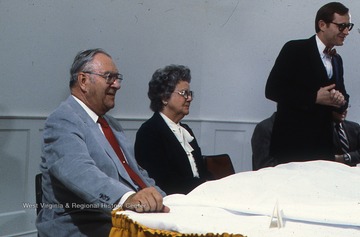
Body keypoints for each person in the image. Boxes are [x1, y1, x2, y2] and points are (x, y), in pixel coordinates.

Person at [36, 48, 169, 237]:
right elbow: (79, 171)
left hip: (123, 218)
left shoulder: (111, 124)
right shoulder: (62, 120)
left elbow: (136, 174)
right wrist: (127, 198)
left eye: (117, 78)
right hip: (83, 226)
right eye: (109, 77)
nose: (117, 85)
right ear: (83, 81)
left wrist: (165, 199)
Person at [265, 2, 352, 164]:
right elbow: (272, 90)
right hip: (292, 147)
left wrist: (341, 103)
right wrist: (314, 97)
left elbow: (342, 94)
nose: (346, 32)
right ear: (322, 25)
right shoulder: (294, 49)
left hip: (323, 147)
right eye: (342, 26)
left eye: (349, 26)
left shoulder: (337, 60)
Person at [134, 65, 210, 195]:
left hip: (196, 197)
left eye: (190, 93)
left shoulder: (186, 130)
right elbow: (164, 182)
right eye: (184, 93)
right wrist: (205, 189)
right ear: (164, 98)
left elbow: (201, 171)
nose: (189, 98)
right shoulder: (149, 132)